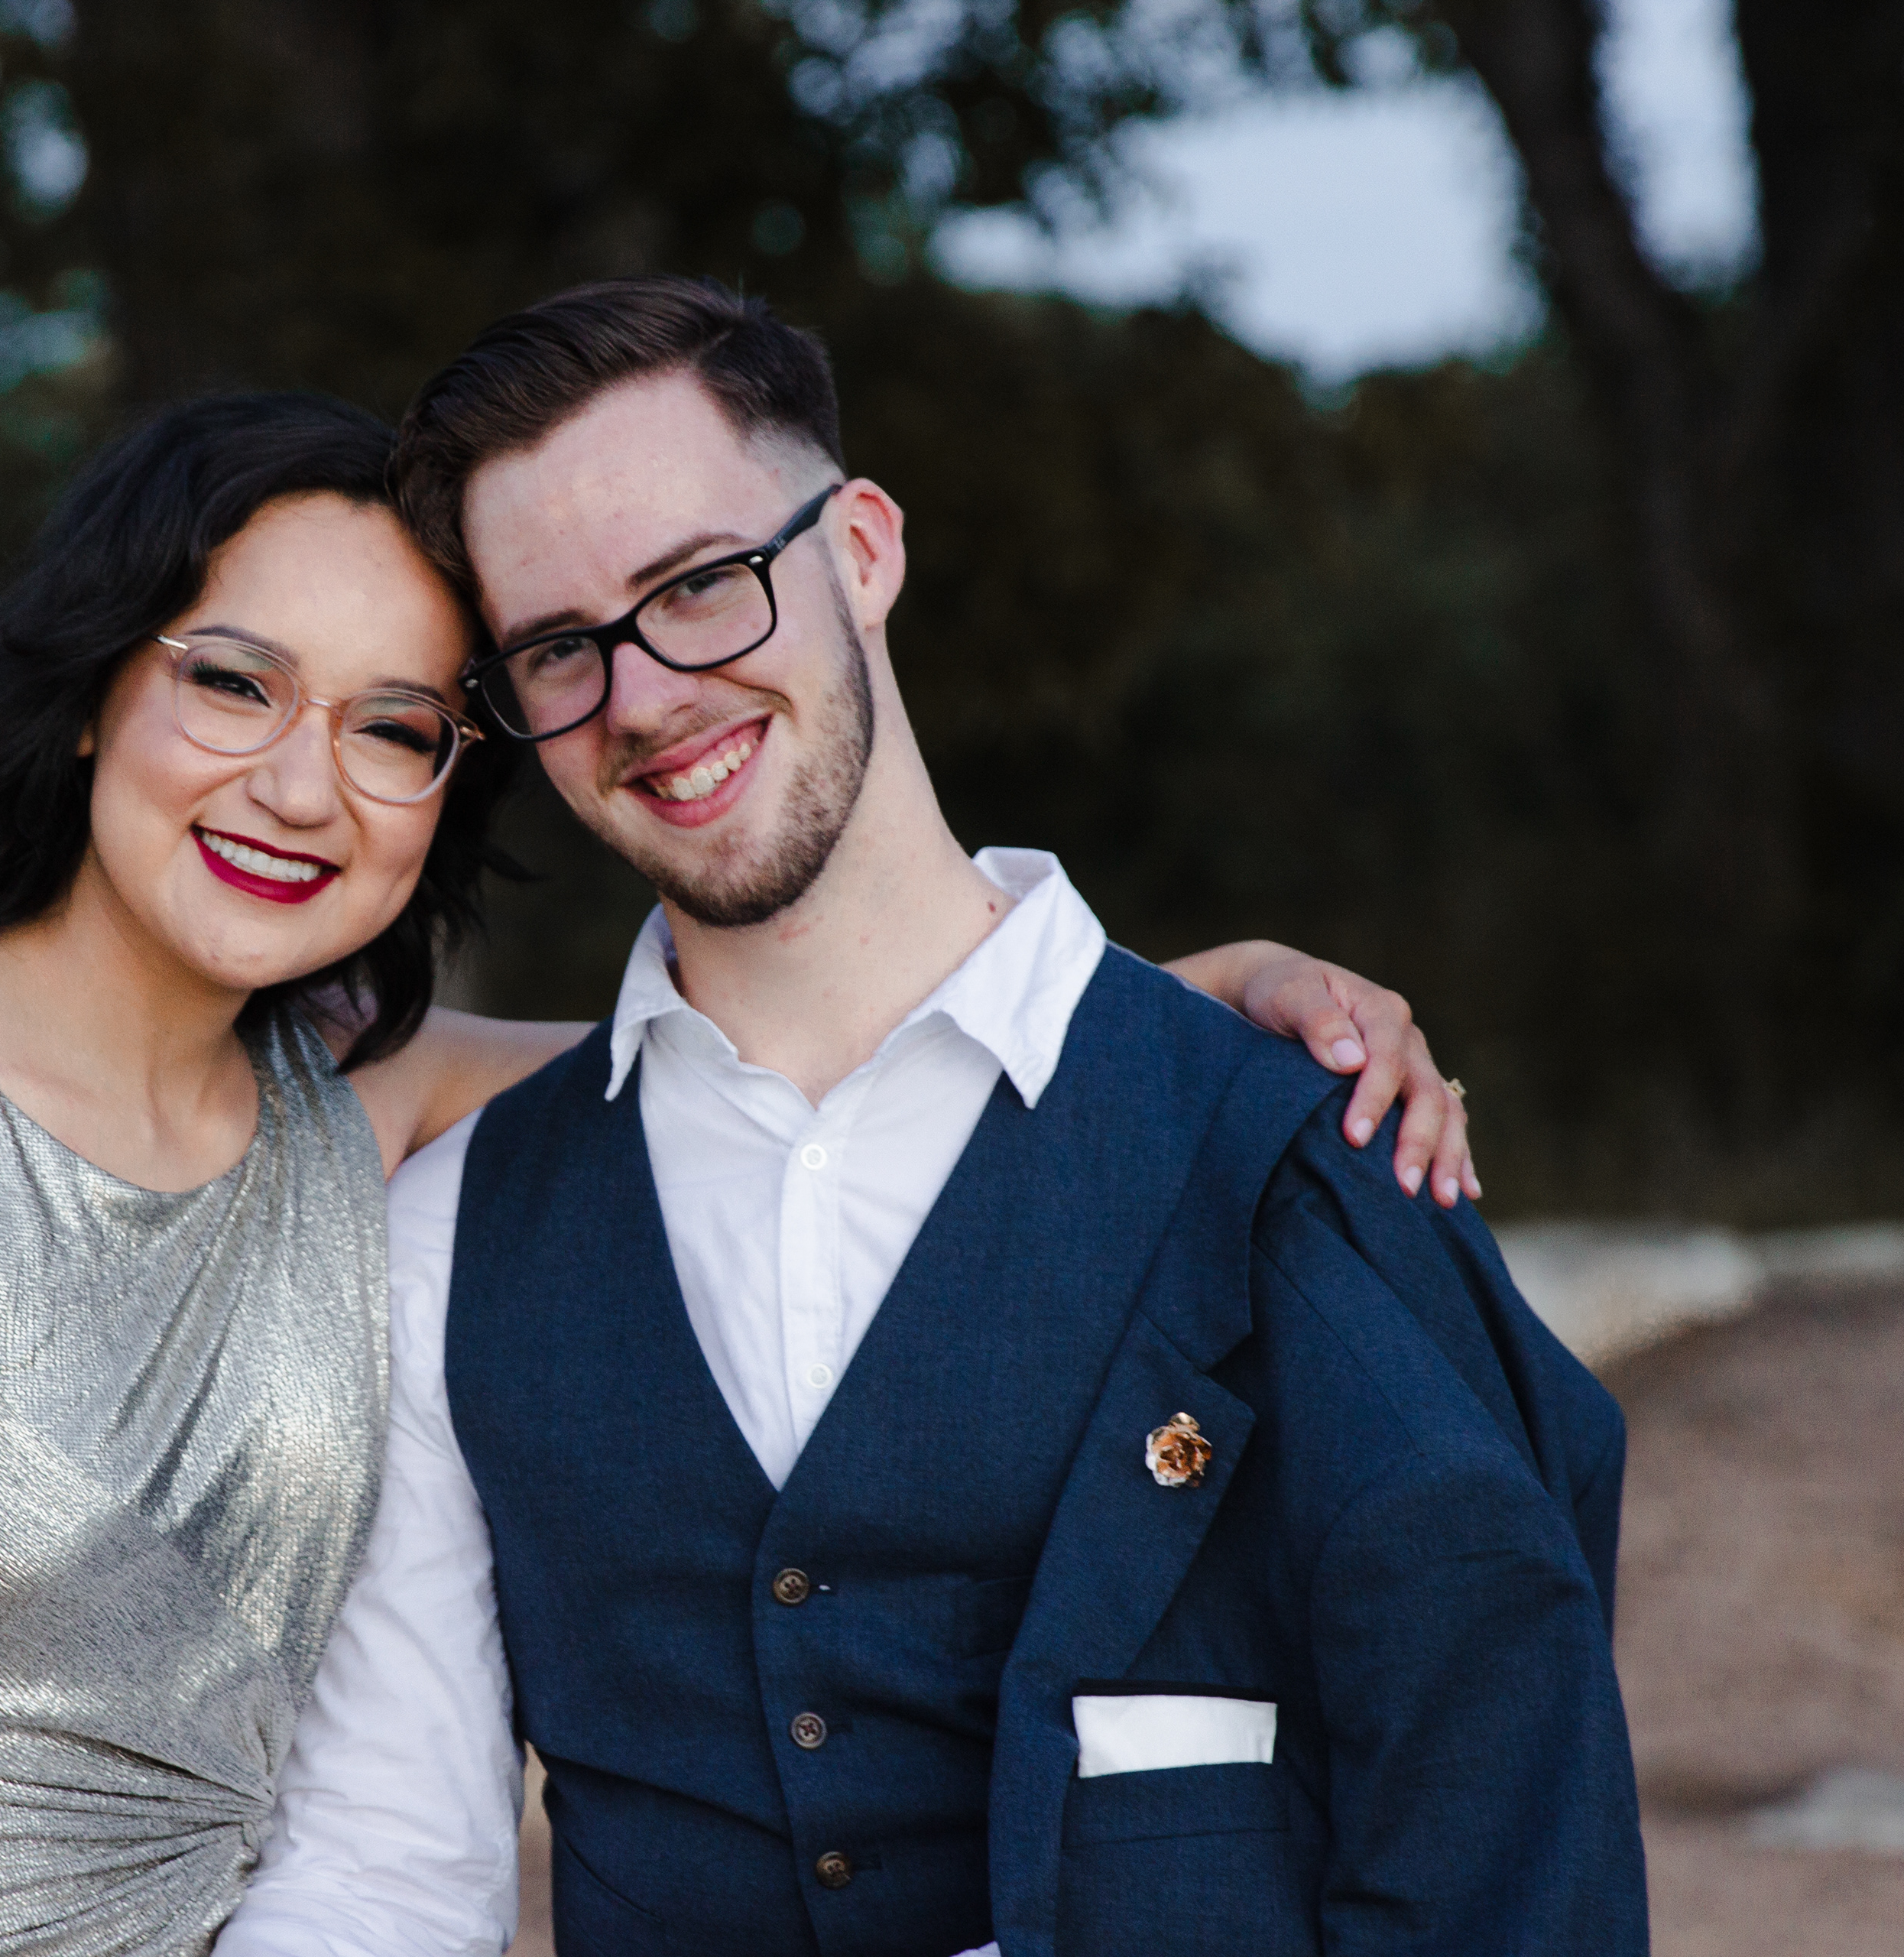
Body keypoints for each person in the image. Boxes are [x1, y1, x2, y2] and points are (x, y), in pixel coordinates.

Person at [0, 391, 1470, 1957]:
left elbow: (834, 1059)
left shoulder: (364, 1102)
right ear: (91, 694)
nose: (300, 785)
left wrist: (1194, 994)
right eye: (233, 682)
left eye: (394, 728)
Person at [218, 280, 1642, 1957]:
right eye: (558, 649)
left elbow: (1508, 1841)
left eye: (702, 584)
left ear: (863, 551)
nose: (646, 696)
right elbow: (382, 1869)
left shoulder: (1290, 1156)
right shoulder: (451, 1236)